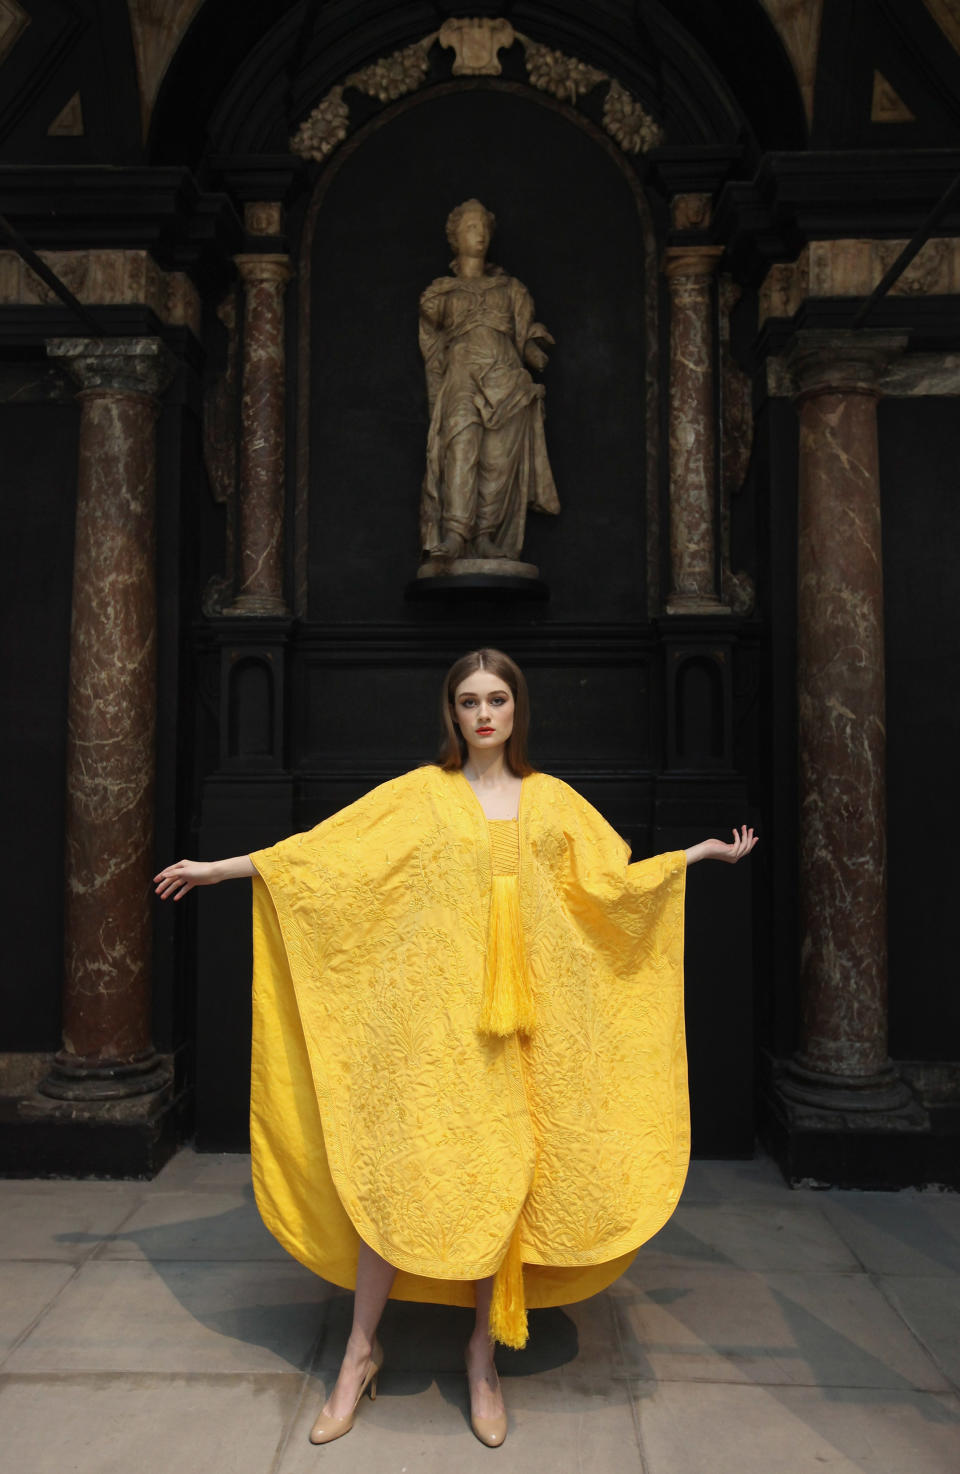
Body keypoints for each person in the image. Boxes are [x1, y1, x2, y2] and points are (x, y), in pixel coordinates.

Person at [155, 648, 757, 1448]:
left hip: (523, 1039)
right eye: (469, 700)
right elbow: (324, 860)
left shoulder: (551, 802)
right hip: (433, 1035)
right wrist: (222, 870)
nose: (483, 713)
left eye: (497, 699)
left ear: (517, 711)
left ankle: (481, 1358)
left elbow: (610, 885)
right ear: (452, 712)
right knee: (389, 1178)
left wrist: (698, 858)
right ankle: (360, 1352)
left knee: (497, 1184)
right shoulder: (418, 798)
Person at [418, 200, 561, 565]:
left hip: (505, 376)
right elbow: (433, 342)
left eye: (483, 226)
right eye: (470, 227)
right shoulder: (440, 293)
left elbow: (523, 335)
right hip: (463, 373)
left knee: (498, 459)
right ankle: (454, 533)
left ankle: (483, 536)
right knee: (461, 446)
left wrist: (535, 346)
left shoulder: (511, 290)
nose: (479, 233)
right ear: (455, 237)